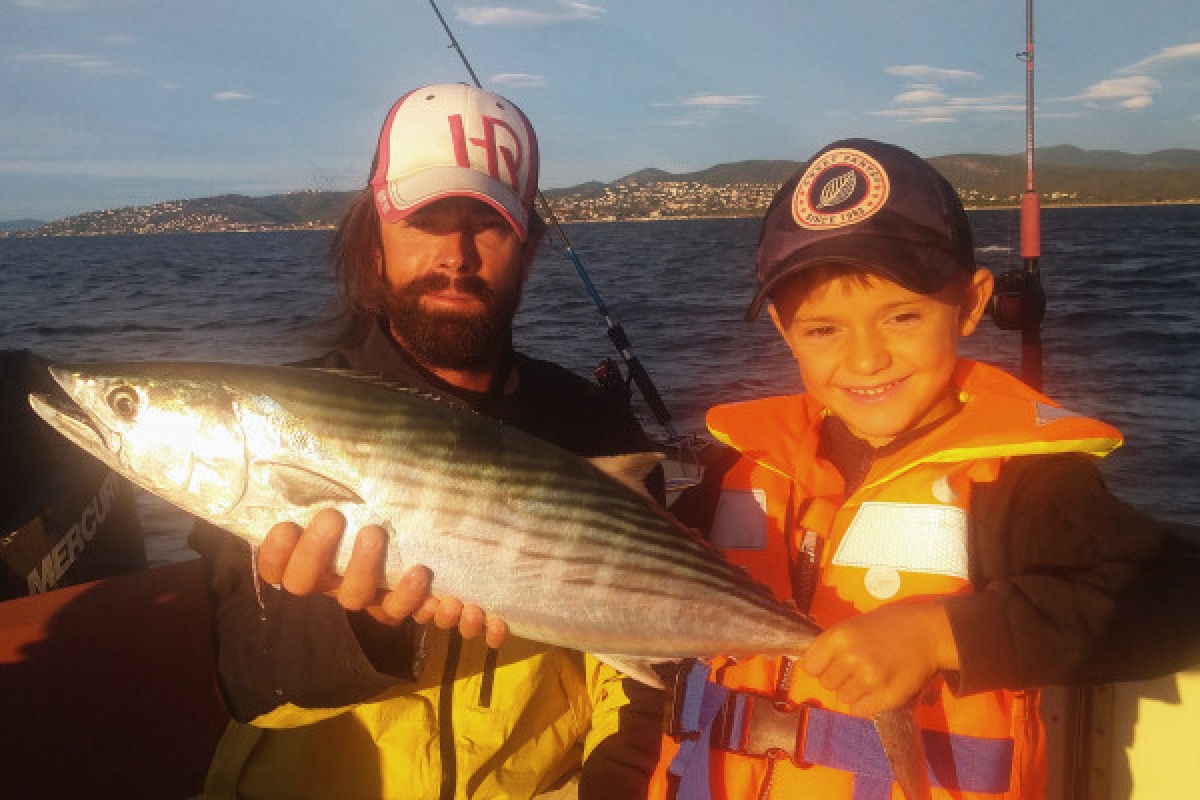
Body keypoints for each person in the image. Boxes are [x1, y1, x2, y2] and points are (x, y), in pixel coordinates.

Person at [648, 138, 1200, 800]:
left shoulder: (1016, 481)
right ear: (783, 329)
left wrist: (941, 633)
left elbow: (1172, 593)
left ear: (970, 303)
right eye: (824, 330)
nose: (866, 358)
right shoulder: (736, 465)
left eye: (902, 317)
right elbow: (630, 579)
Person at [191, 83, 665, 800]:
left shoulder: (593, 431)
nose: (455, 254)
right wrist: (368, 623)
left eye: (488, 224)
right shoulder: (271, 428)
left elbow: (638, 670)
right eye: (423, 223)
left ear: (526, 250)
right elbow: (249, 679)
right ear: (373, 245)